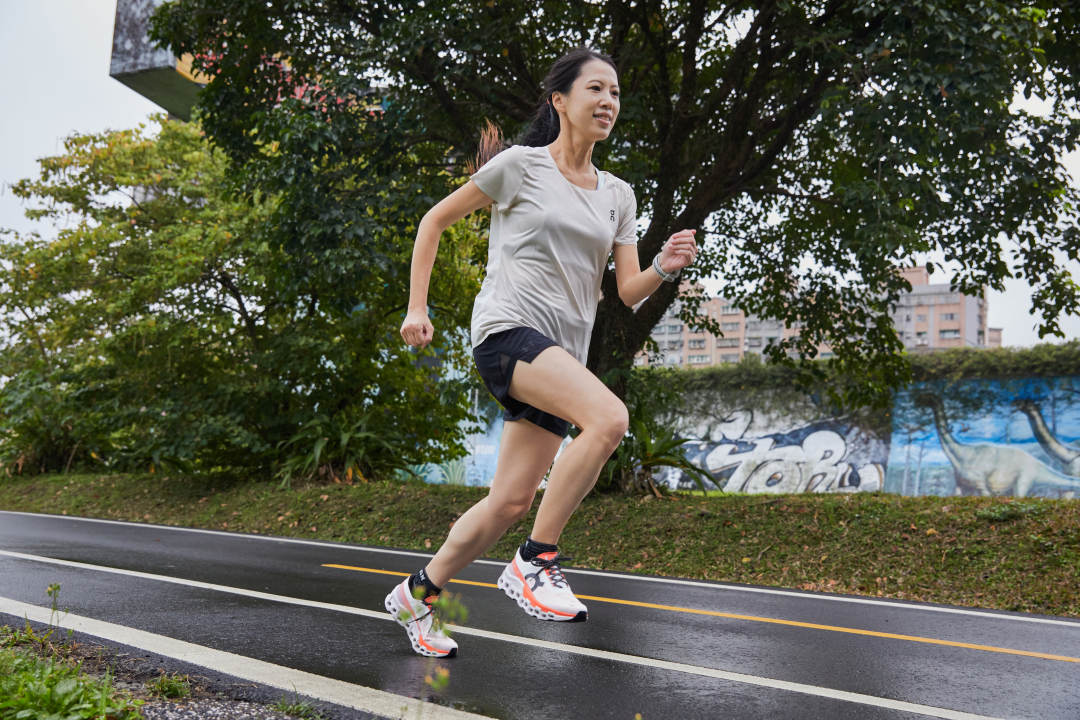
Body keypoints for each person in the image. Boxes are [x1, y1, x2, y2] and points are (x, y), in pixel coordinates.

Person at [384, 46, 699, 658]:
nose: (608, 101)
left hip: (560, 355)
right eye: (595, 89)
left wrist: (663, 265)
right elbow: (433, 222)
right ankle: (536, 559)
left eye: (615, 93)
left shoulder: (619, 195)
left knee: (509, 500)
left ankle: (417, 594)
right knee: (609, 418)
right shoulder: (521, 167)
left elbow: (627, 291)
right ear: (560, 100)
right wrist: (417, 308)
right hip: (507, 332)